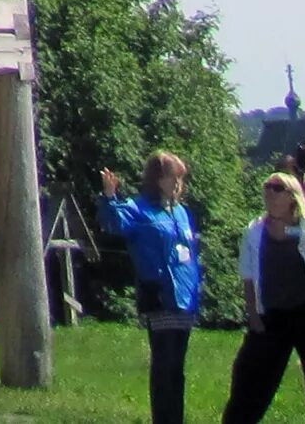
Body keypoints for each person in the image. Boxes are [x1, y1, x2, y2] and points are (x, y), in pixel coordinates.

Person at [227, 170, 305, 424]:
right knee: (250, 380)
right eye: (267, 187)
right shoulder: (255, 231)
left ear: (292, 197)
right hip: (272, 317)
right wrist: (253, 317)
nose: (270, 192)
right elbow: (247, 276)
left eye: (277, 188)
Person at [102, 153, 206, 424]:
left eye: (181, 178)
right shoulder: (139, 208)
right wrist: (110, 197)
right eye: (175, 177)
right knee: (165, 363)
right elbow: (115, 224)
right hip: (159, 294)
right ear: (158, 179)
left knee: (178, 368)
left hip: (184, 295)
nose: (179, 183)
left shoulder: (180, 211)